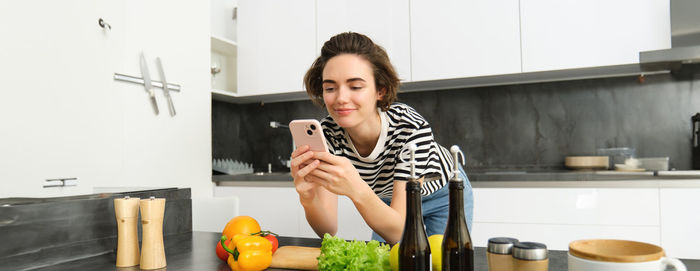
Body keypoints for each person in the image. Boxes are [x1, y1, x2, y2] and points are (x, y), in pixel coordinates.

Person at [290, 32, 473, 244]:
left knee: (444, 261)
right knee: (388, 261)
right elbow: (328, 229)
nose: (340, 98)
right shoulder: (328, 135)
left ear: (381, 90)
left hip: (443, 194)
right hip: (390, 199)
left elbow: (400, 234)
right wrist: (308, 197)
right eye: (330, 88)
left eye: (356, 86)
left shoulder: (410, 128)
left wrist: (355, 187)